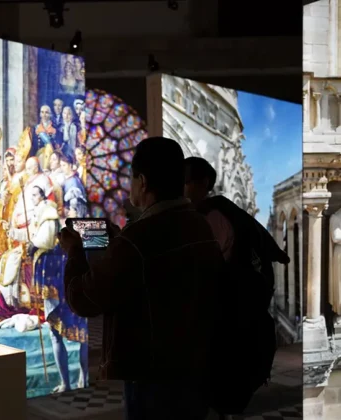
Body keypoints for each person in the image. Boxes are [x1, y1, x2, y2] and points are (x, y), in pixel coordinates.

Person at [58, 137, 223, 420]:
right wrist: (120, 241)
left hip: (152, 378)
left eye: (131, 178)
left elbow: (83, 299)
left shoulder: (138, 240)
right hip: (194, 368)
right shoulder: (199, 225)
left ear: (143, 182)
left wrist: (74, 251)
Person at [183, 157, 289, 417]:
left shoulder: (212, 217)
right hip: (231, 317)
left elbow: (205, 271)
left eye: (184, 182)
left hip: (225, 321)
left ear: (202, 184)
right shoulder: (218, 212)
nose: (180, 188)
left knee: (218, 392)